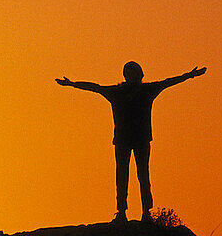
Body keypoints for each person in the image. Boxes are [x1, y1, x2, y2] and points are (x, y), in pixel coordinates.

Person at [57, 61, 206, 223]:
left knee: (143, 174)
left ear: (140, 74)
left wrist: (189, 75)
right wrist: (72, 84)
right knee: (122, 175)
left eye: (132, 72)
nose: (129, 75)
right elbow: (95, 87)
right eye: (127, 72)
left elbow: (168, 82)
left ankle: (146, 213)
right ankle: (121, 212)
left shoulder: (147, 90)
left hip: (141, 139)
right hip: (122, 140)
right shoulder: (117, 92)